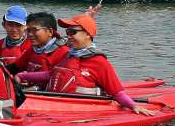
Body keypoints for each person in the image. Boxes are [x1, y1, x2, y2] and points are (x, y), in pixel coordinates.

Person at [17, 12, 150, 113]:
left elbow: (117, 92)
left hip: (80, 110)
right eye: (68, 32)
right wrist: (22, 76)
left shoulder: (99, 62)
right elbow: (51, 75)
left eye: (73, 32)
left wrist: (134, 106)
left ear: (87, 34)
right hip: (56, 105)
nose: (68, 36)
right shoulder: (69, 56)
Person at [19, 11, 71, 78]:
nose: (30, 34)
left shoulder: (64, 52)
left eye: (34, 30)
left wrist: (28, 77)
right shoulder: (33, 49)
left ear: (50, 32)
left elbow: (59, 77)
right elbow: (16, 67)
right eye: (28, 30)